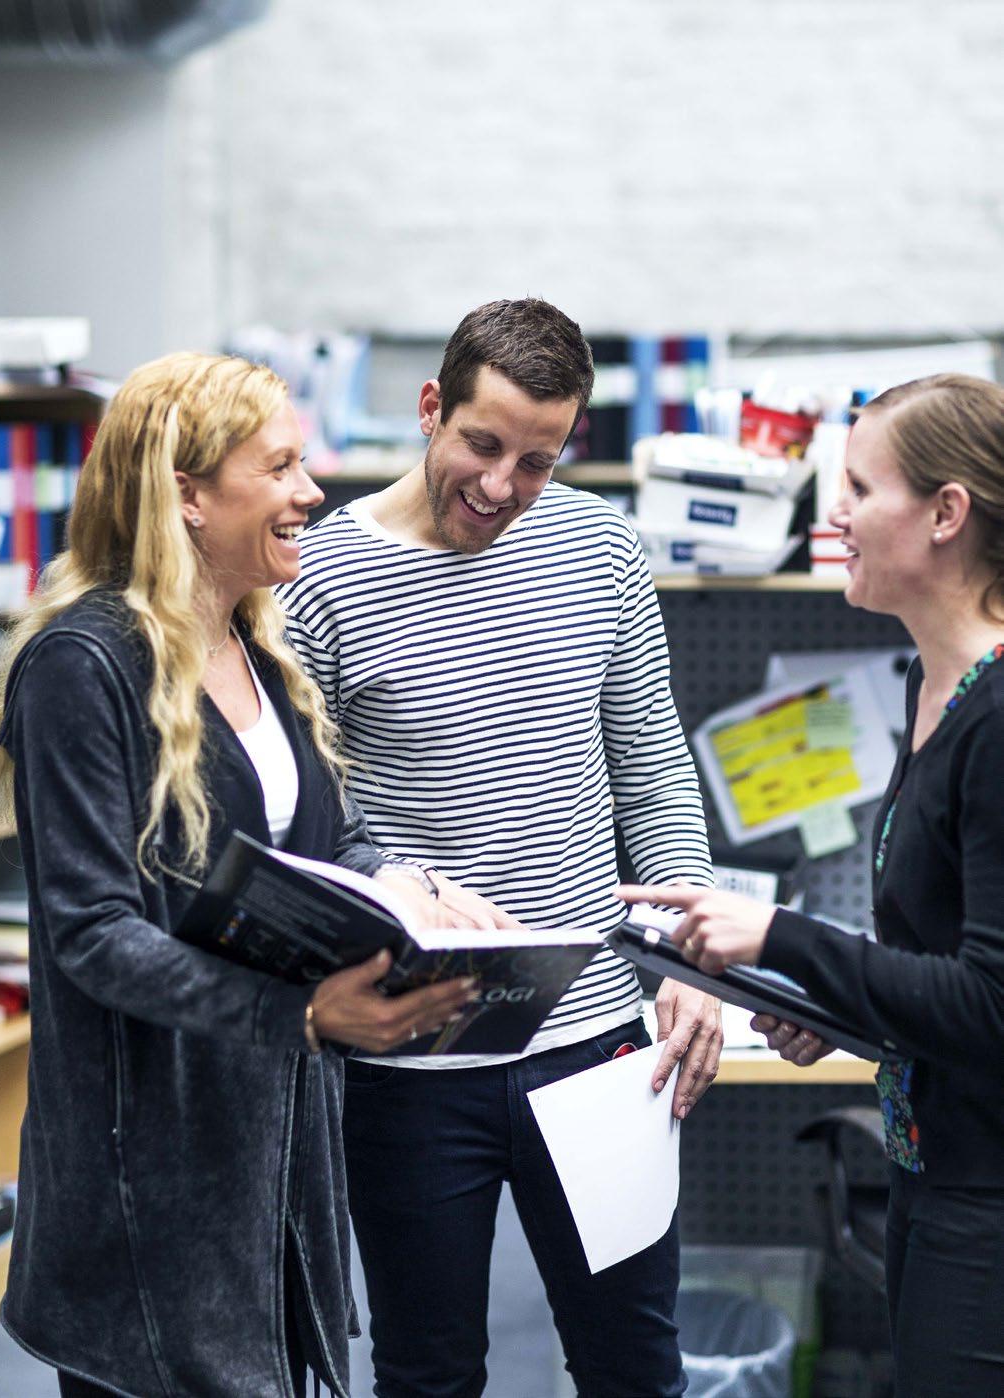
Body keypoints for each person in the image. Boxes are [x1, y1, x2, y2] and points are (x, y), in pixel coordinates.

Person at [0, 352, 475, 1398]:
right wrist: (299, 1015)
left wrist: (416, 893)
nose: (313, 494)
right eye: (284, 466)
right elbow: (90, 936)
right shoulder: (83, 668)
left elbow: (327, 848)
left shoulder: (263, 648)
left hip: (271, 1152)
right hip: (148, 1173)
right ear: (189, 496)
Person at [278, 298, 722, 1398]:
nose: (502, 485)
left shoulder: (599, 544)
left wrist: (694, 946)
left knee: (634, 1366)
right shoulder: (319, 580)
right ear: (431, 408)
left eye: (538, 459)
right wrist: (393, 879)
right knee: (427, 1376)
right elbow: (313, 819)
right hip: (419, 1048)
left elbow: (655, 768)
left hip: (603, 1047)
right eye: (482, 444)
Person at [619, 372, 1004, 1398]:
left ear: (945, 514)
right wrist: (841, 1006)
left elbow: (995, 1004)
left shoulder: (999, 719)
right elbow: (940, 971)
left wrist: (785, 942)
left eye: (858, 488)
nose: (832, 515)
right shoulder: (935, 687)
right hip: (934, 1167)